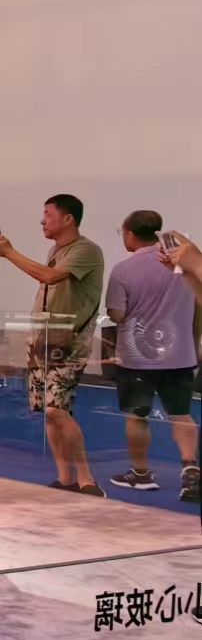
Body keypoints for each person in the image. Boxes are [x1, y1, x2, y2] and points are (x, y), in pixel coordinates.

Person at [0, 193, 106, 495]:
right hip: (43, 340)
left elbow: (50, 277)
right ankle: (65, 477)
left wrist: (9, 252)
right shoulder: (56, 250)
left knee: (57, 409)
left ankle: (87, 479)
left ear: (68, 218)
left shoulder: (86, 250)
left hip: (69, 342)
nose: (42, 221)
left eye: (48, 214)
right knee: (49, 410)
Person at [104, 211, 198, 502]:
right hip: (180, 354)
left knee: (137, 415)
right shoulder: (181, 264)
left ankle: (141, 474)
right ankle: (190, 470)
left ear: (130, 233)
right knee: (181, 414)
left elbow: (117, 314)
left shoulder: (123, 269)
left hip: (136, 358)